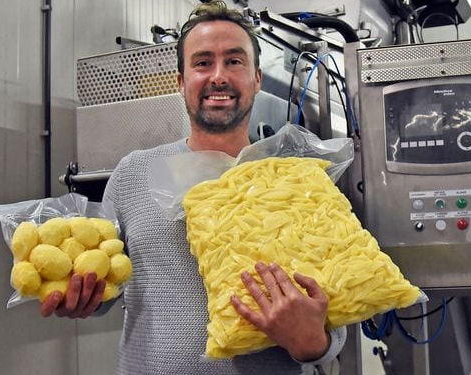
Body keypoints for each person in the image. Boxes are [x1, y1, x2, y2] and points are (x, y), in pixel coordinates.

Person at [40, 1, 346, 374]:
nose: (218, 76)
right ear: (182, 81)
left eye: (234, 61)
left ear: (257, 79)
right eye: (202, 63)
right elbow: (110, 285)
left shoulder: (297, 181)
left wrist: (313, 342)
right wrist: (83, 295)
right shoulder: (134, 174)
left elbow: (337, 317)